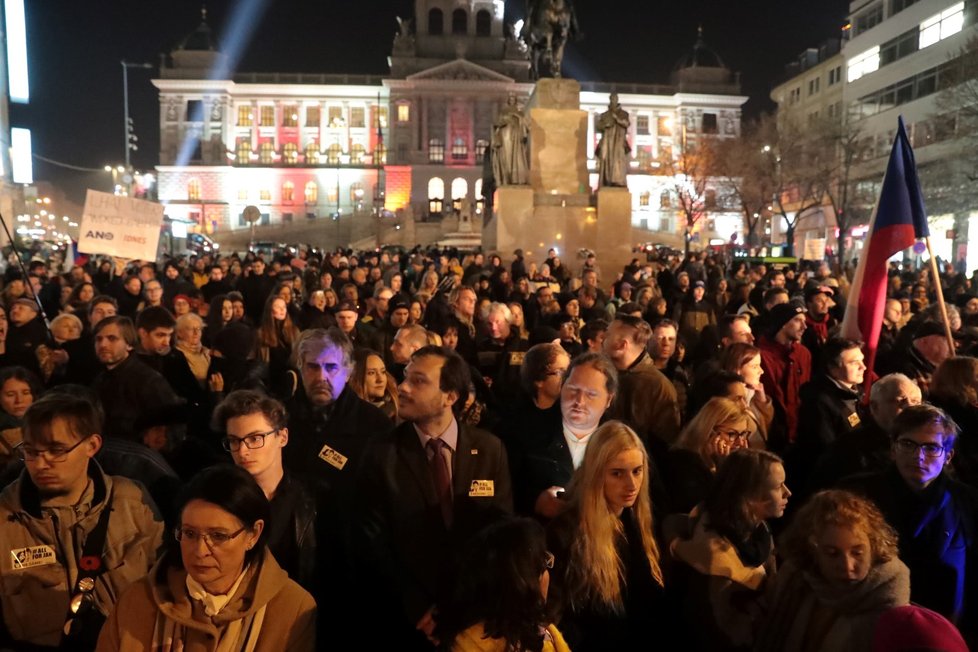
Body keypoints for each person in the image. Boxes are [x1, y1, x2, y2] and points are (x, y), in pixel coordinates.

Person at [356, 345, 512, 649]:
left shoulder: (491, 450)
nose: (402, 387)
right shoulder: (380, 455)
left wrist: (462, 606)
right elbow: (372, 544)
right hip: (407, 621)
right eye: (405, 378)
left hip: (474, 618)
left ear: (450, 396)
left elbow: (500, 535)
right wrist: (419, 606)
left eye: (419, 381)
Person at [0, 393, 163, 651]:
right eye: (31, 451)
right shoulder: (5, 520)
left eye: (56, 450)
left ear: (92, 445)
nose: (41, 464)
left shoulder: (133, 503)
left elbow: (168, 588)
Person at [96, 464, 316, 651]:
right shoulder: (138, 601)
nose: (200, 550)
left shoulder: (292, 609)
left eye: (218, 536)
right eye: (190, 534)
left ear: (253, 534)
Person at [843, 404, 978, 645]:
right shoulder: (855, 495)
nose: (918, 456)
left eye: (931, 447)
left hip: (943, 631)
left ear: (948, 456)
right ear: (893, 449)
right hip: (871, 629)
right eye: (908, 444)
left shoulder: (967, 502)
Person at [546, 421, 666, 651]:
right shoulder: (568, 532)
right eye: (617, 474)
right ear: (596, 473)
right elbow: (559, 616)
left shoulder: (638, 520)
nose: (631, 484)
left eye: (637, 471)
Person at [754, 490, 910, 652]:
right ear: (813, 551)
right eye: (832, 554)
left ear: (874, 545)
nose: (847, 566)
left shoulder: (888, 598)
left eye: (857, 552)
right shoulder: (797, 579)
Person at [668, 448, 790, 650]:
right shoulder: (717, 560)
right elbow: (722, 631)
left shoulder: (758, 531)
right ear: (750, 495)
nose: (788, 492)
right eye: (778, 487)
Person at [212, 390, 323, 592]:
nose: (242, 451)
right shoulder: (218, 499)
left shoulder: (313, 499)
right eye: (235, 441)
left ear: (282, 437)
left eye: (255, 438)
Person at [437, 517, 571, 652]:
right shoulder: (469, 646)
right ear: (521, 583)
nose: (548, 575)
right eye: (543, 564)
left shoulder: (540, 631)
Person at [512, 352, 617, 519]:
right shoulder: (525, 432)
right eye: (573, 390)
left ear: (609, 399)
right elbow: (507, 491)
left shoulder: (622, 440)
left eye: (591, 394)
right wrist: (536, 500)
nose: (579, 401)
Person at [92, 316, 184, 444]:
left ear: (129, 344)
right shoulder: (100, 379)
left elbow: (173, 428)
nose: (103, 344)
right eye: (98, 339)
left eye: (112, 338)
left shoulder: (149, 381)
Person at [602, 314, 681, 456]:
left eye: (607, 335)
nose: (602, 339)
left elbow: (666, 442)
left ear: (621, 345)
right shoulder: (602, 374)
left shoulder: (658, 386)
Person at [664, 397, 752, 514]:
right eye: (732, 434)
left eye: (743, 434)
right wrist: (725, 469)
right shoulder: (683, 462)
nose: (740, 442)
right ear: (709, 431)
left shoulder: (726, 461)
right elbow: (711, 510)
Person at [758, 300, 812, 452]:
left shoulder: (803, 354)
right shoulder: (761, 356)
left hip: (800, 433)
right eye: (797, 320)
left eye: (804, 321)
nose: (804, 326)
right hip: (773, 433)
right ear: (782, 323)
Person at [350, 347, 400, 420]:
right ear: (355, 377)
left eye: (383, 372)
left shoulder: (394, 413)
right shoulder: (345, 412)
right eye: (371, 373)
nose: (380, 380)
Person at [491, 95, 529, 186]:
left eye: (514, 99)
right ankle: (507, 177)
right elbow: (497, 123)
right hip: (506, 135)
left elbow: (525, 124)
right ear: (508, 101)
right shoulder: (503, 112)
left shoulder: (520, 112)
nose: (512, 101)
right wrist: (506, 120)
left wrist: (518, 117)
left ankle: (517, 178)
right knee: (507, 157)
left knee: (517, 157)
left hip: (516, 135)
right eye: (511, 99)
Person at [595, 93, 630, 187]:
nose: (613, 101)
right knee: (606, 160)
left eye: (615, 99)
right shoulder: (605, 115)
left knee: (618, 162)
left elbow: (626, 123)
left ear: (617, 100)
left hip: (618, 141)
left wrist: (617, 119)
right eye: (611, 99)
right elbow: (598, 126)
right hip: (607, 141)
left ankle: (618, 181)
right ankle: (607, 181)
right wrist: (605, 125)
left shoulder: (624, 114)